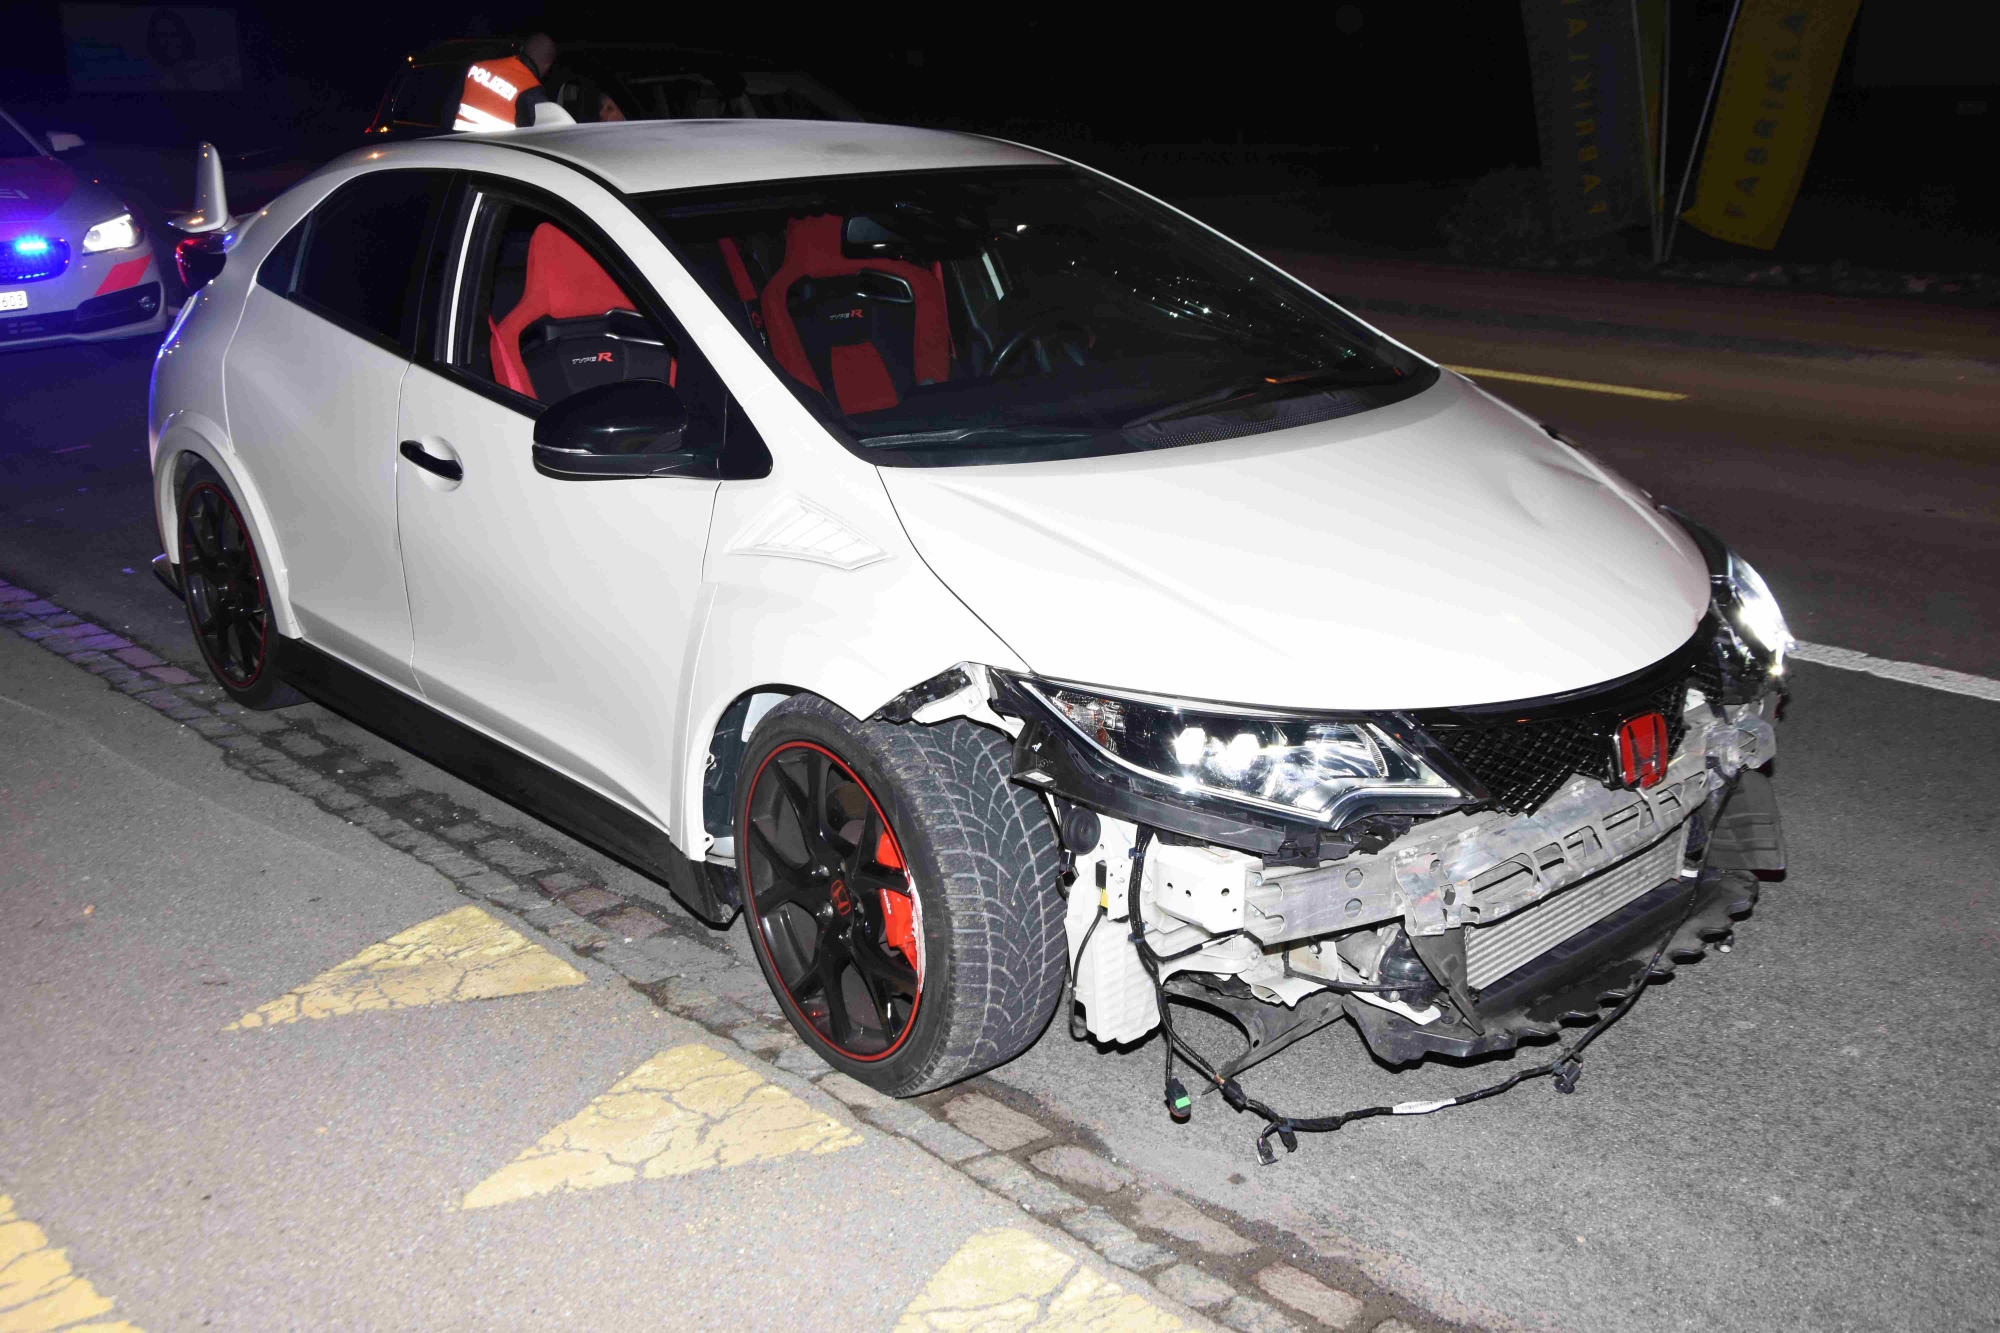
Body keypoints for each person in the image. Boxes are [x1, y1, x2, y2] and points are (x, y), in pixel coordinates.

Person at [453, 33, 555, 132]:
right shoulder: (532, 90)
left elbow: (449, 107)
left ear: (522, 49)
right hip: (494, 149)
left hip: (454, 145)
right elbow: (540, 138)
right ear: (547, 66)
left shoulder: (477, 67)